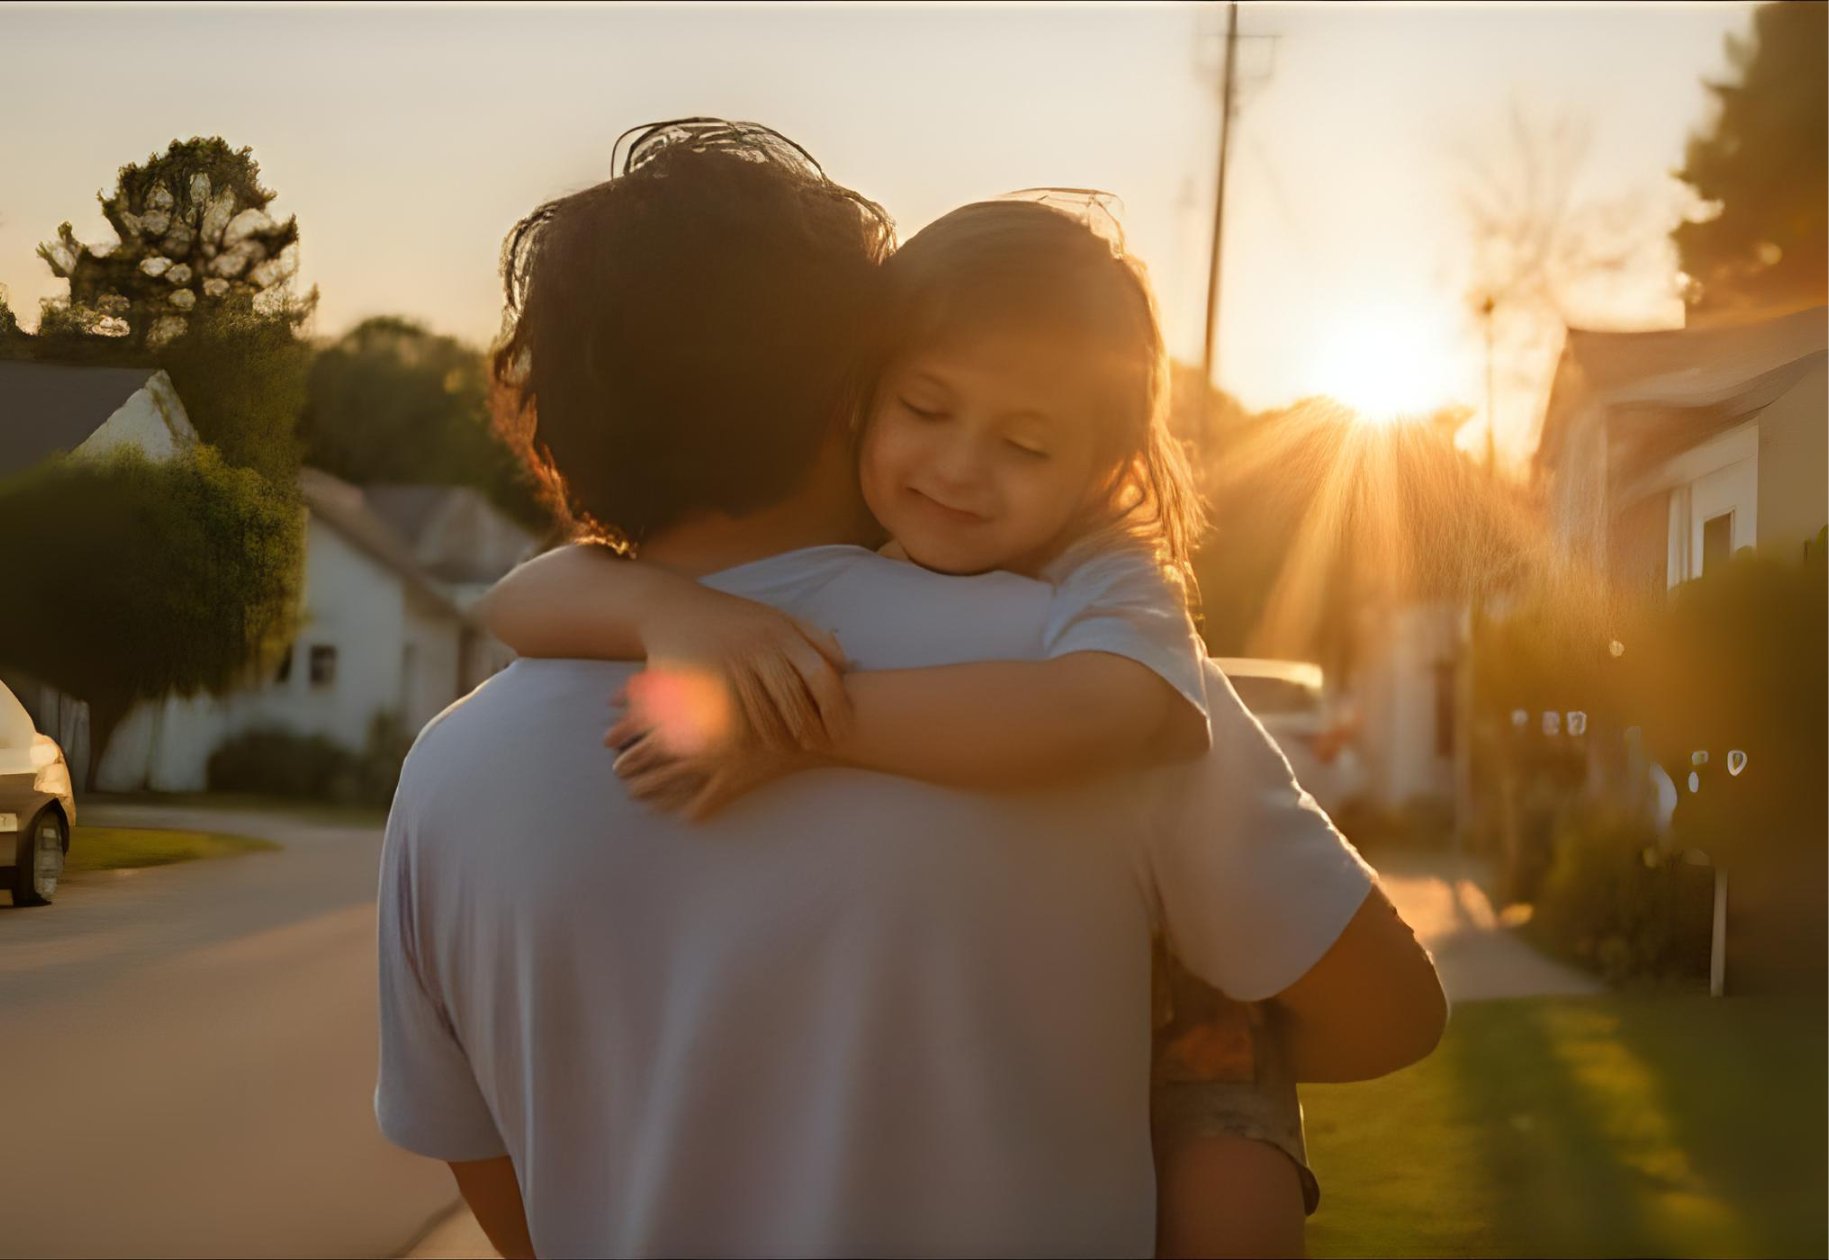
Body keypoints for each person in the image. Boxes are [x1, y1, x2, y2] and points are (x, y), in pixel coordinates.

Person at [375, 118, 1446, 1259]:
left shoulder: (444, 782)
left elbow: (511, 1204)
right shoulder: (1062, 672)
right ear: (853, 385)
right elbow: (1387, 1011)